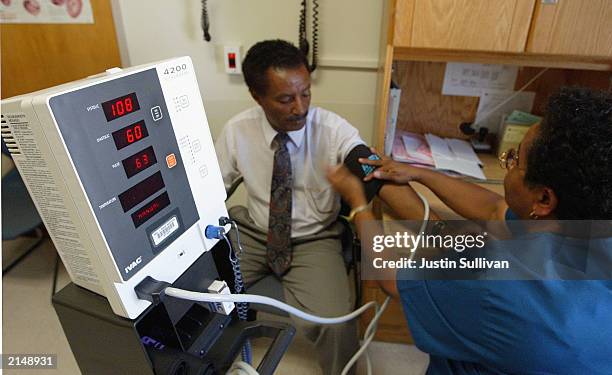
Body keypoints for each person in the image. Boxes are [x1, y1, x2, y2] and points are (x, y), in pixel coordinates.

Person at [327, 87, 612, 374]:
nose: (508, 167)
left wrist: (358, 204)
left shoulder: (494, 279)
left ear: (544, 199)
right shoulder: (592, 231)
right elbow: (495, 209)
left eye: (513, 159)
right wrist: (420, 172)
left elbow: (391, 277)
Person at [214, 39, 423, 375]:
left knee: (337, 324)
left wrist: (439, 231)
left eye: (306, 93)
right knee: (194, 293)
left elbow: (373, 171)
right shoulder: (237, 131)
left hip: (315, 238)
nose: (300, 107)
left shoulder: (331, 129)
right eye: (285, 99)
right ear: (256, 96)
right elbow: (210, 192)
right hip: (253, 230)